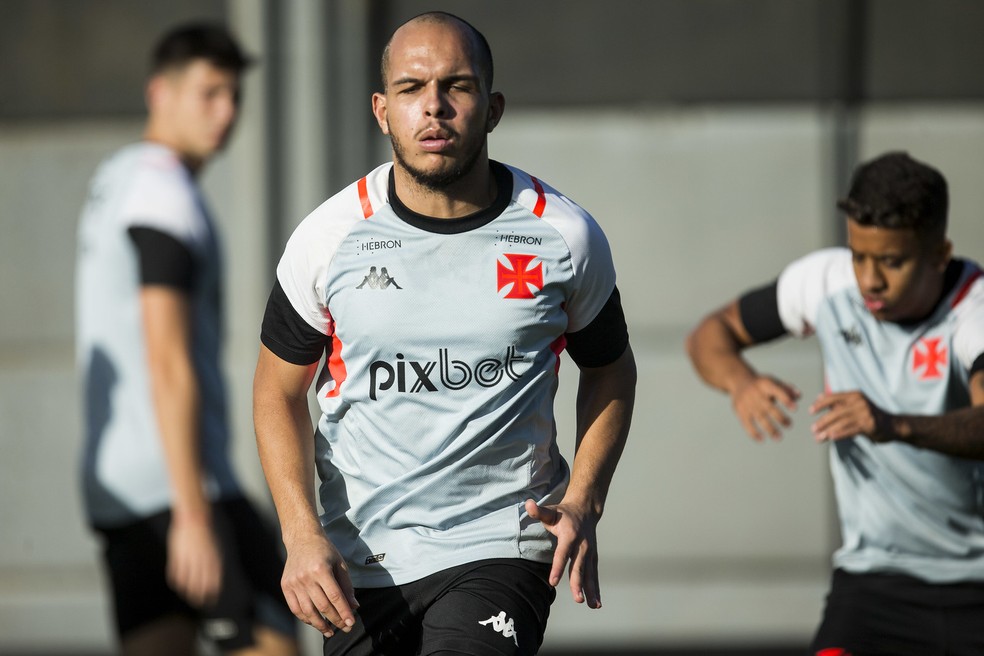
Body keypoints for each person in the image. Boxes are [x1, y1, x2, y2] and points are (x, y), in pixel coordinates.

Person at [252, 11, 636, 656]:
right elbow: (276, 392)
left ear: (493, 109)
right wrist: (300, 533)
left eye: (457, 86)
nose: (434, 106)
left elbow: (610, 368)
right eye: (411, 88)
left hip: (502, 544)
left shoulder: (563, 235)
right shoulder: (328, 238)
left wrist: (584, 501)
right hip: (362, 561)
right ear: (382, 111)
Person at [685, 151, 984, 655]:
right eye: (858, 256)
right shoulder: (826, 281)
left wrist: (893, 425)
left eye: (891, 261)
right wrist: (741, 383)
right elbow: (710, 335)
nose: (869, 280)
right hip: (873, 582)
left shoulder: (973, 309)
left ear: (939, 254)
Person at [75, 23, 299, 656]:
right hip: (179, 488)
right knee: (275, 642)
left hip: (118, 491)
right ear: (160, 93)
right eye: (209, 93)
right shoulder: (162, 194)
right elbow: (167, 358)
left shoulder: (117, 178)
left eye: (234, 96)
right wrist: (194, 514)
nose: (226, 112)